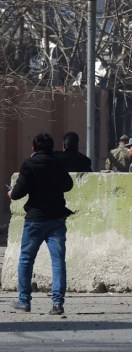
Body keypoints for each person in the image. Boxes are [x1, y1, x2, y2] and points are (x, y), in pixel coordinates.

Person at [8, 132, 74, 315]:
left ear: (34, 148)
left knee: (26, 259)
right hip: (57, 219)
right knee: (58, 262)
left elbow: (18, 193)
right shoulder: (58, 163)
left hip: (35, 220)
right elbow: (68, 185)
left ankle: (24, 301)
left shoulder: (29, 164)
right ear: (51, 147)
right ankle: (57, 304)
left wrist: (11, 194)